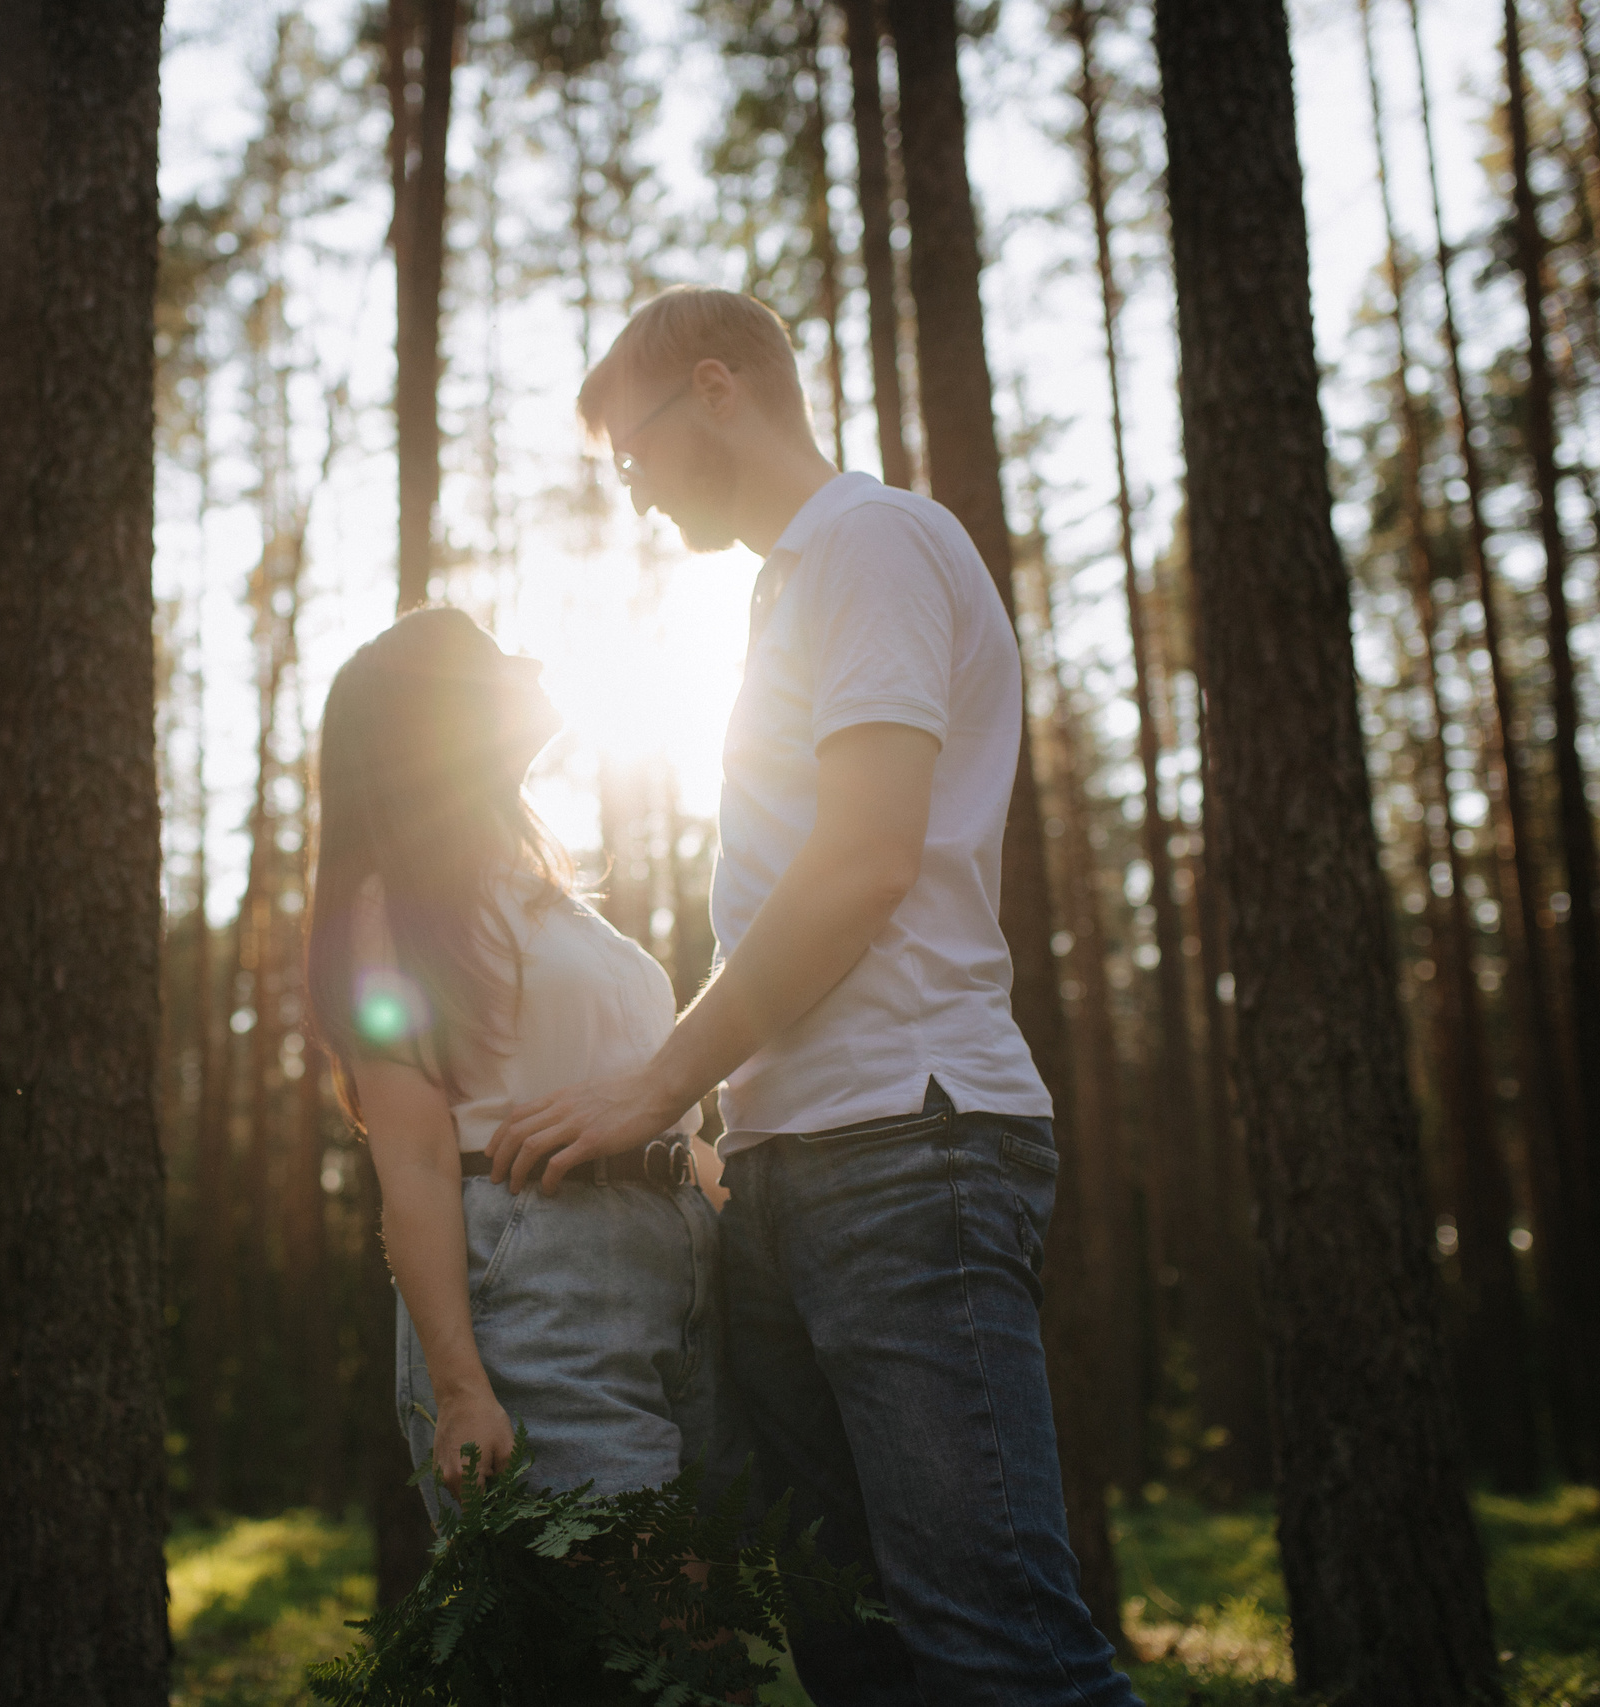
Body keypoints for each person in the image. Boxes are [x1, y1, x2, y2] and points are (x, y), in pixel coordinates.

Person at [485, 286, 1141, 1705]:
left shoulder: (872, 540)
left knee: (998, 1643)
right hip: (801, 1165)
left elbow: (859, 866)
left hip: (908, 1145)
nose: (636, 494)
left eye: (632, 455)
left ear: (714, 389)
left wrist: (657, 1082)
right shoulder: (792, 585)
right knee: (860, 1652)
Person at [305, 607, 730, 1521]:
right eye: (492, 658)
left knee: (701, 1651)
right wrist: (460, 1386)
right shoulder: (393, 908)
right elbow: (413, 1160)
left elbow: (659, 1109)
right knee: (639, 1636)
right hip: (540, 1291)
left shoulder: (553, 900)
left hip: (681, 1280)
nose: (531, 662)